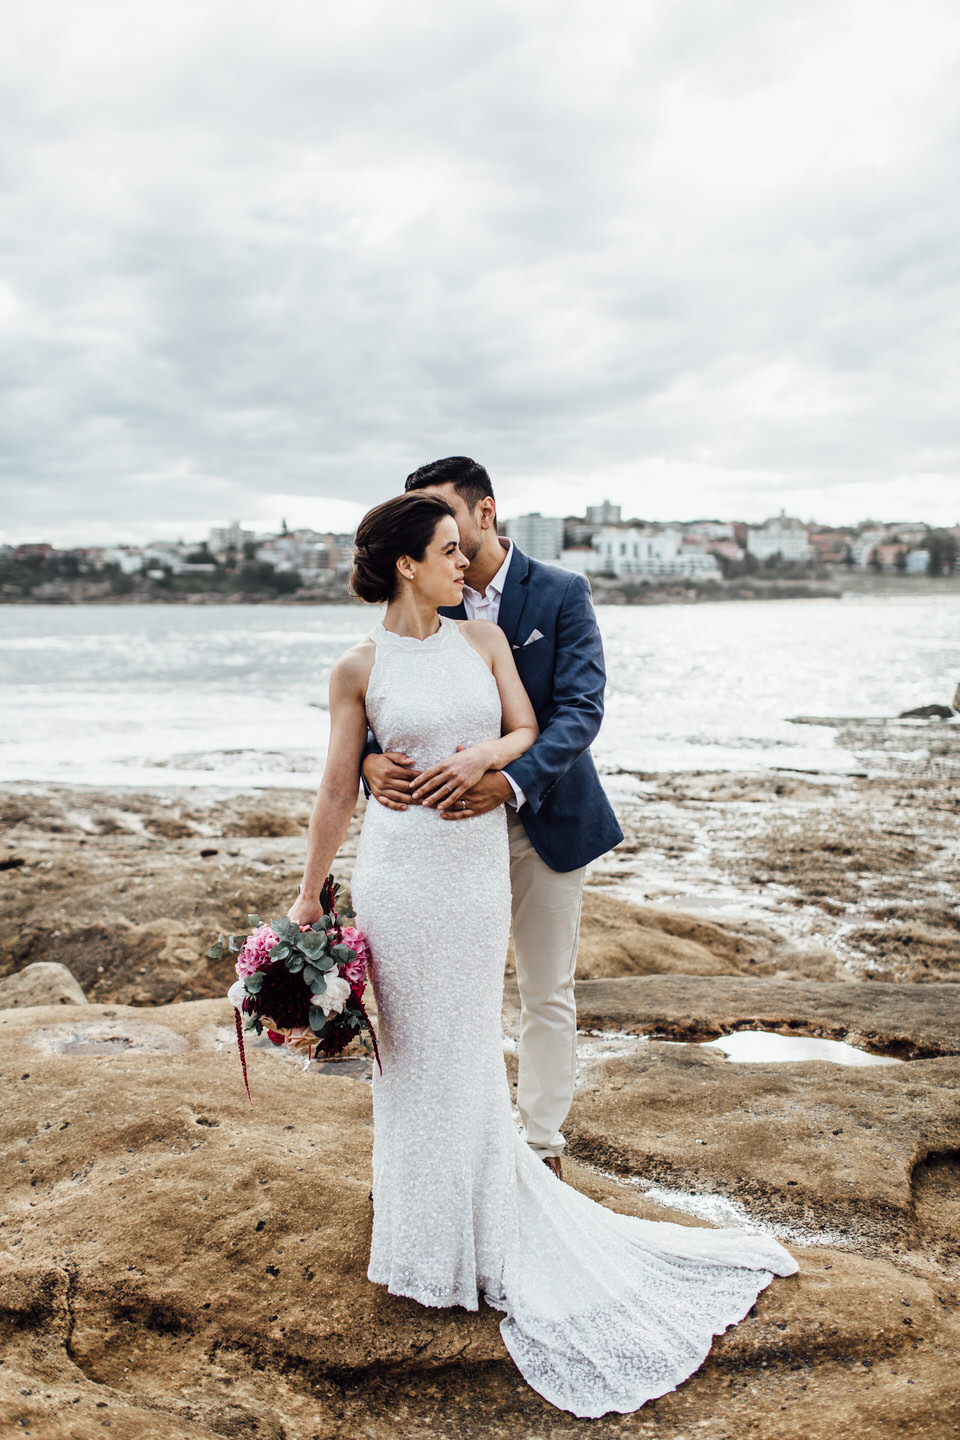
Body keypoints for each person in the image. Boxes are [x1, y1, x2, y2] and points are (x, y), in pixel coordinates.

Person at [289, 489, 797, 1418]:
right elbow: (333, 783)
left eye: (460, 541)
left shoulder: (494, 634)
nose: (462, 560)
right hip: (398, 873)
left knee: (477, 1038)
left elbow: (540, 723)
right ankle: (419, 1234)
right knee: (406, 1054)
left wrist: (489, 761)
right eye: (444, 549)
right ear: (408, 563)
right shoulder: (356, 667)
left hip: (480, 861)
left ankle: (495, 1212)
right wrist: (308, 883)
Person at [362, 457, 623, 1179]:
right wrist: (368, 761)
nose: (435, 533)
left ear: (485, 512)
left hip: (546, 819)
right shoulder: (423, 592)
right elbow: (387, 698)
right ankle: (450, 1152)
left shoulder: (563, 592)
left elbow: (580, 712)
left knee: (546, 992)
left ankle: (541, 1147)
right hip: (439, 839)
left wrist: (508, 781)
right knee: (441, 999)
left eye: (444, 515)